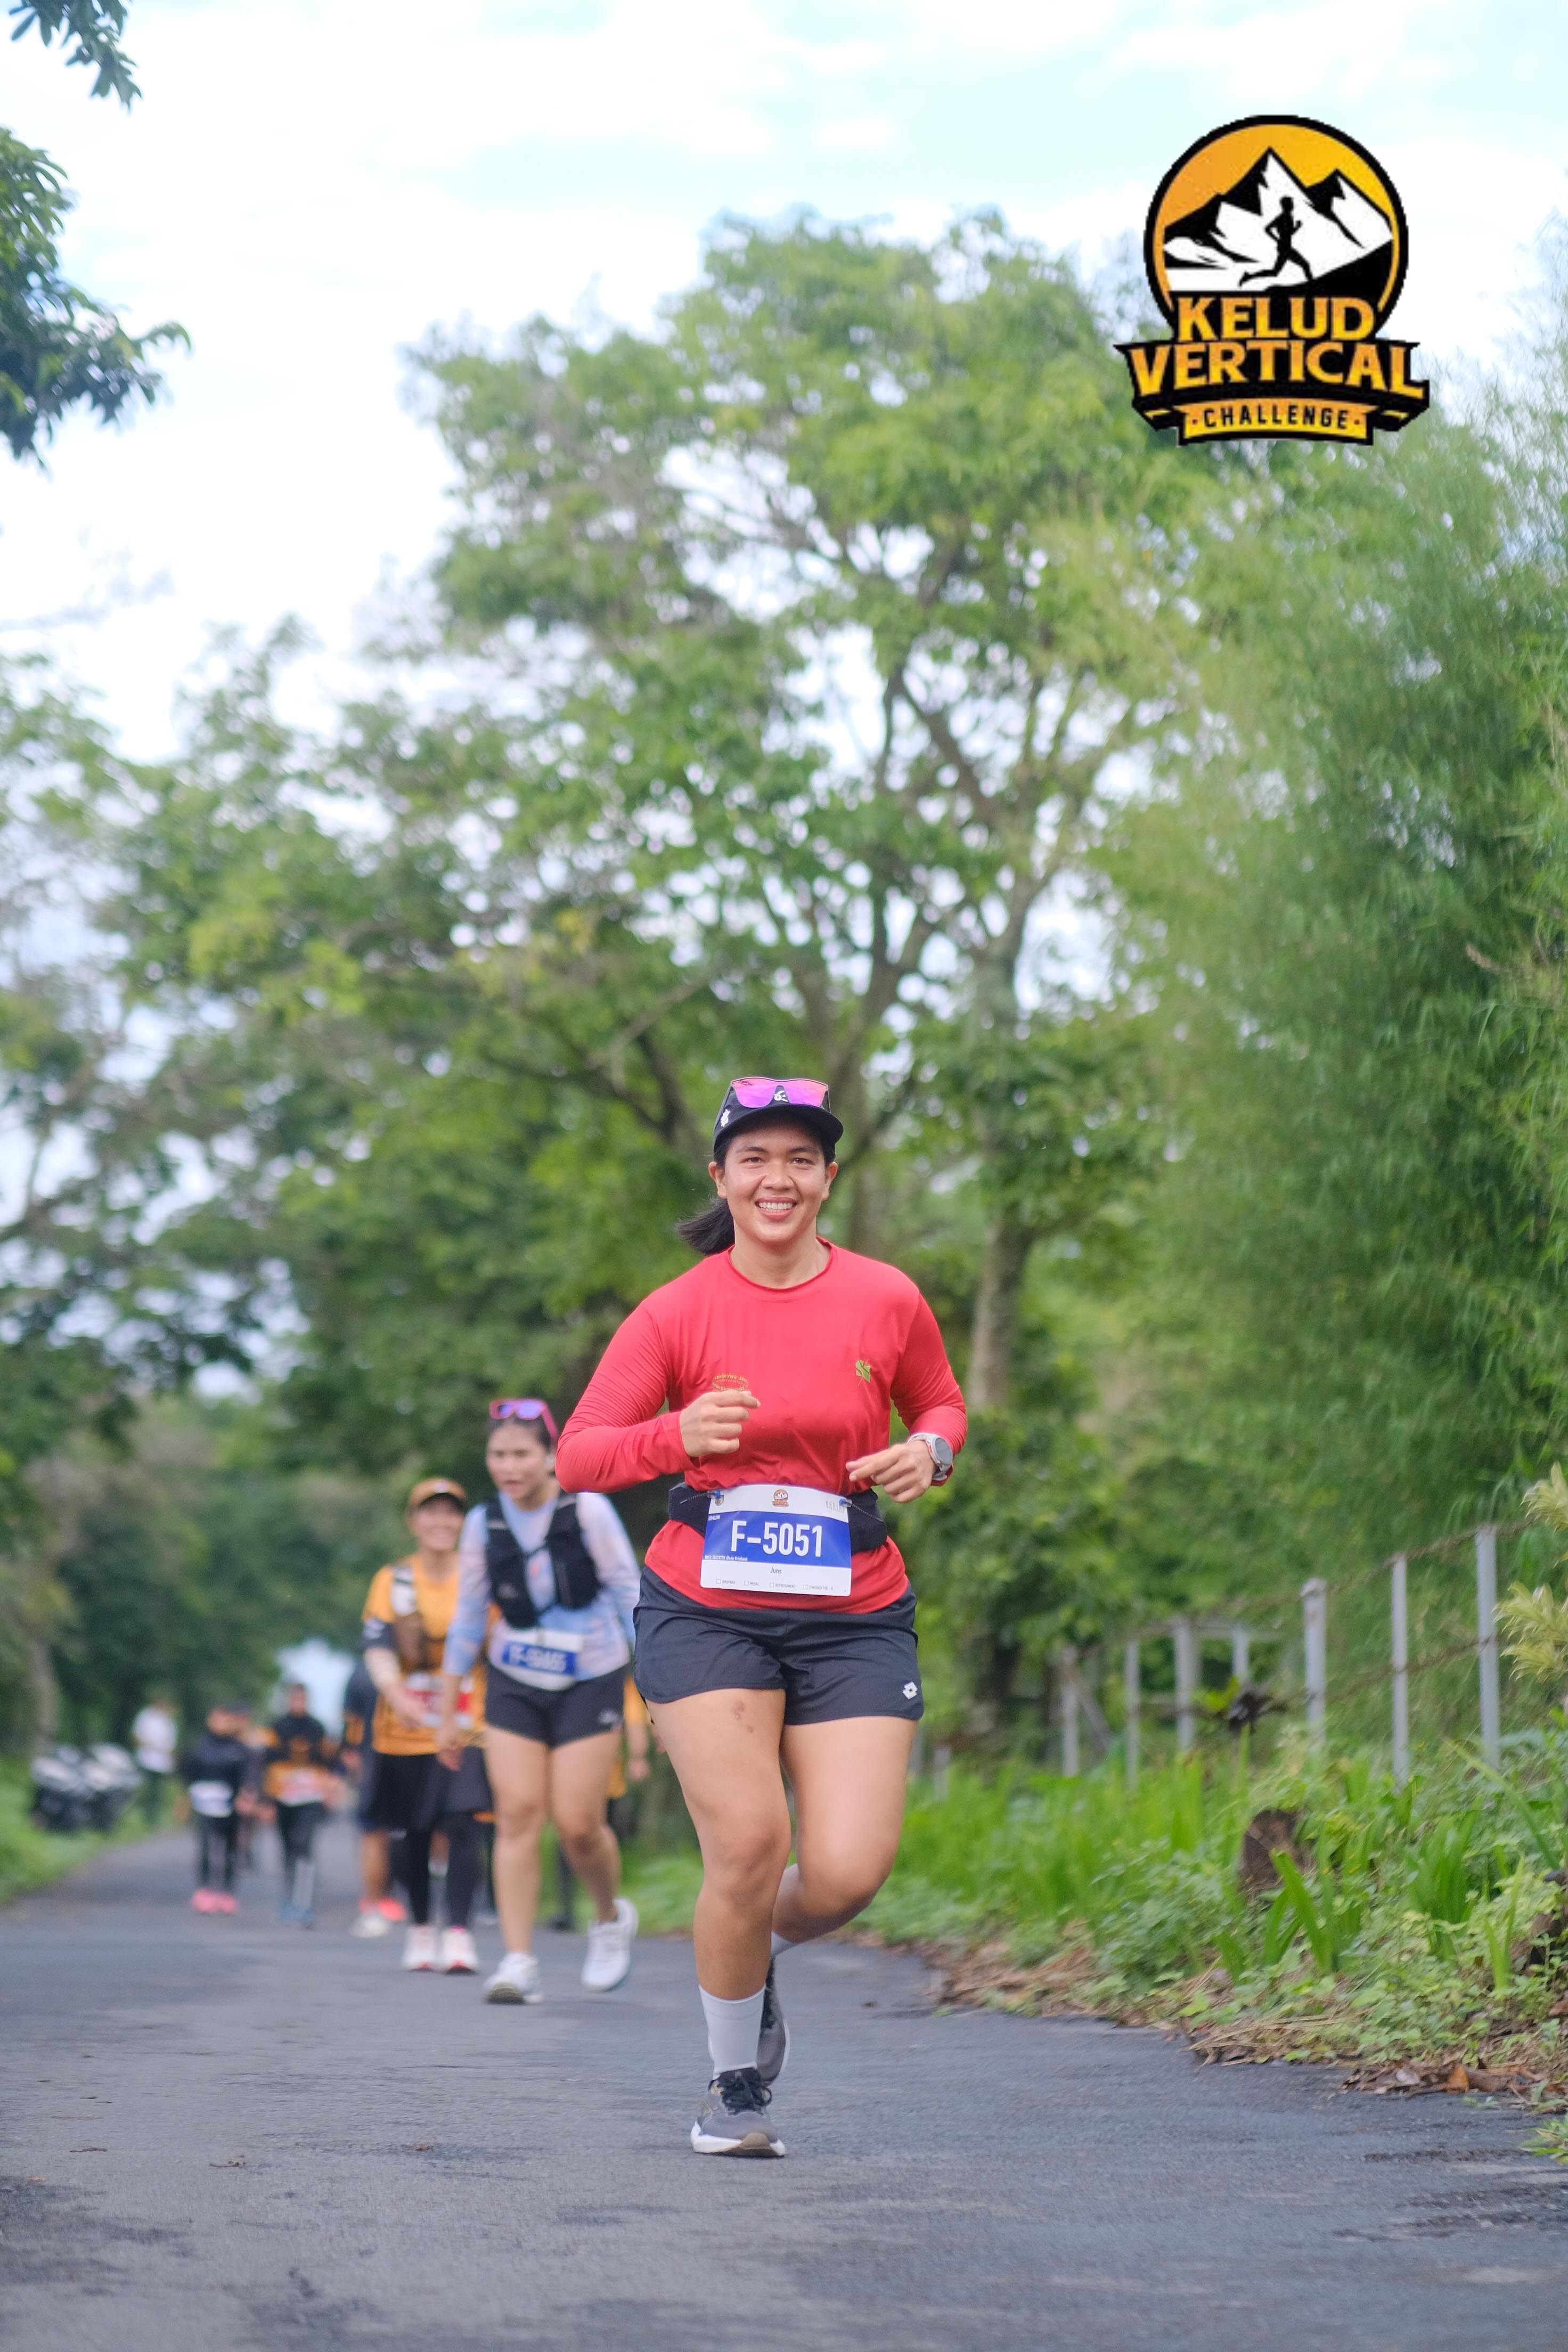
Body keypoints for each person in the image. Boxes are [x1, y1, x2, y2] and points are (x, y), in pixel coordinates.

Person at [556, 1076, 965, 2157]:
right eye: (754, 1158)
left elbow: (939, 1401)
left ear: (827, 1178)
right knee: (746, 1842)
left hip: (853, 1609)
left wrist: (930, 1451)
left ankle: (747, 1940)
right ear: (720, 1178)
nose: (775, 1178)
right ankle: (734, 2086)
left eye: (798, 1159)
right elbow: (579, 1454)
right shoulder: (676, 1309)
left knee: (845, 1875)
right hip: (705, 1607)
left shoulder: (885, 1296)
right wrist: (677, 1435)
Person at [436, 1400, 641, 2005]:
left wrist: (658, 1683)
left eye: (521, 1454)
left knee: (578, 1824)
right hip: (514, 1677)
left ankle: (609, 1918)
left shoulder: (589, 1510)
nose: (509, 1467)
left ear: (551, 1457)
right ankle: (518, 1961)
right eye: (498, 1455)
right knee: (518, 1813)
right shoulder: (483, 1523)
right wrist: (448, 1711)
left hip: (591, 1674)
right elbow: (468, 1615)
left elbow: (630, 1595)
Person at [361, 1476, 491, 1973]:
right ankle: (419, 1928)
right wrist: (398, 1696)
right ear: (413, 1521)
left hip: (467, 1724)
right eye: (430, 1512)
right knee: (413, 1831)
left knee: (462, 1822)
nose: (442, 1521)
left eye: (451, 1512)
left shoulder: (478, 1576)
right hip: (405, 1728)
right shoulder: (393, 1580)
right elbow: (377, 1646)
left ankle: (458, 1933)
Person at [258, 1684, 340, 1925]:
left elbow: (330, 1762)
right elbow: (263, 1763)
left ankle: (304, 1902)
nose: (299, 1703)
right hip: (283, 1797)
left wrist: (330, 1791)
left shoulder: (317, 1728)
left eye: (302, 1699)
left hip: (310, 1797)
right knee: (287, 1848)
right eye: (295, 1699)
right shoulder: (276, 1728)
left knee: (303, 1846)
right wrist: (265, 1801)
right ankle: (289, 1898)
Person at [340, 1655, 407, 1939]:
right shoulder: (363, 1672)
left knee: (376, 1834)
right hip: (384, 1758)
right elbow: (352, 1722)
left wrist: (352, 1756)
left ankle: (377, 1904)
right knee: (379, 1834)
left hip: (380, 1760)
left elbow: (350, 1722)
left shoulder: (362, 1669)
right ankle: (379, 1902)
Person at [181, 1704, 252, 1914]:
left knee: (231, 1850)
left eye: (226, 1720)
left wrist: (246, 1796)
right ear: (210, 1721)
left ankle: (227, 1893)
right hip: (203, 1806)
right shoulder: (198, 1748)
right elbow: (187, 1773)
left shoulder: (240, 1750)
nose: (222, 1724)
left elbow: (248, 1777)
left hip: (230, 1807)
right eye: (218, 1719)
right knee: (205, 1848)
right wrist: (185, 1799)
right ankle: (204, 1890)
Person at [132, 1695, 177, 1823]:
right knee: (142, 1789)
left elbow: (171, 1745)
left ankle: (152, 1817)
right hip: (145, 1760)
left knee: (156, 1792)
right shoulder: (145, 1716)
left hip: (161, 1764)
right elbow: (137, 1736)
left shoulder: (169, 1722)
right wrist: (152, 1746)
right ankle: (139, 1815)